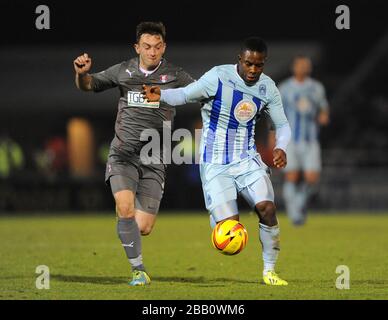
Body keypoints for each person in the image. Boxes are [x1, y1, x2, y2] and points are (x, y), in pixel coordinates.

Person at [143, 37, 291, 286]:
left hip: (247, 160)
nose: (253, 70)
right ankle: (219, 216)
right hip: (215, 164)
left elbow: (283, 124)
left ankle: (270, 271)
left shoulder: (268, 87)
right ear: (239, 60)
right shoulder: (218, 77)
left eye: (259, 65)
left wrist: (281, 147)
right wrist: (158, 94)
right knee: (229, 232)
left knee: (267, 208)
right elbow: (185, 95)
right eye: (249, 64)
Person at [73, 21, 194, 286]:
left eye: (157, 47)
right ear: (137, 47)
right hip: (123, 155)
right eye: (147, 47)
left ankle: (125, 220)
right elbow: (88, 85)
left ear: (164, 47)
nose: (152, 52)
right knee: (126, 209)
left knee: (143, 228)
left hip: (155, 158)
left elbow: (202, 93)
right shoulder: (123, 71)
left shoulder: (176, 75)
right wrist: (82, 74)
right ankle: (138, 270)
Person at [278, 55, 329, 226]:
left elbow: (323, 108)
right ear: (294, 67)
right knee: (291, 176)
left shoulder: (316, 87)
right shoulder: (284, 88)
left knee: (312, 178)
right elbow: (275, 115)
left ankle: (298, 203)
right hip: (290, 139)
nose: (303, 68)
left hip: (310, 139)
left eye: (306, 66)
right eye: (300, 65)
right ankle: (295, 213)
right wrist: (274, 138)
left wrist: (323, 116)